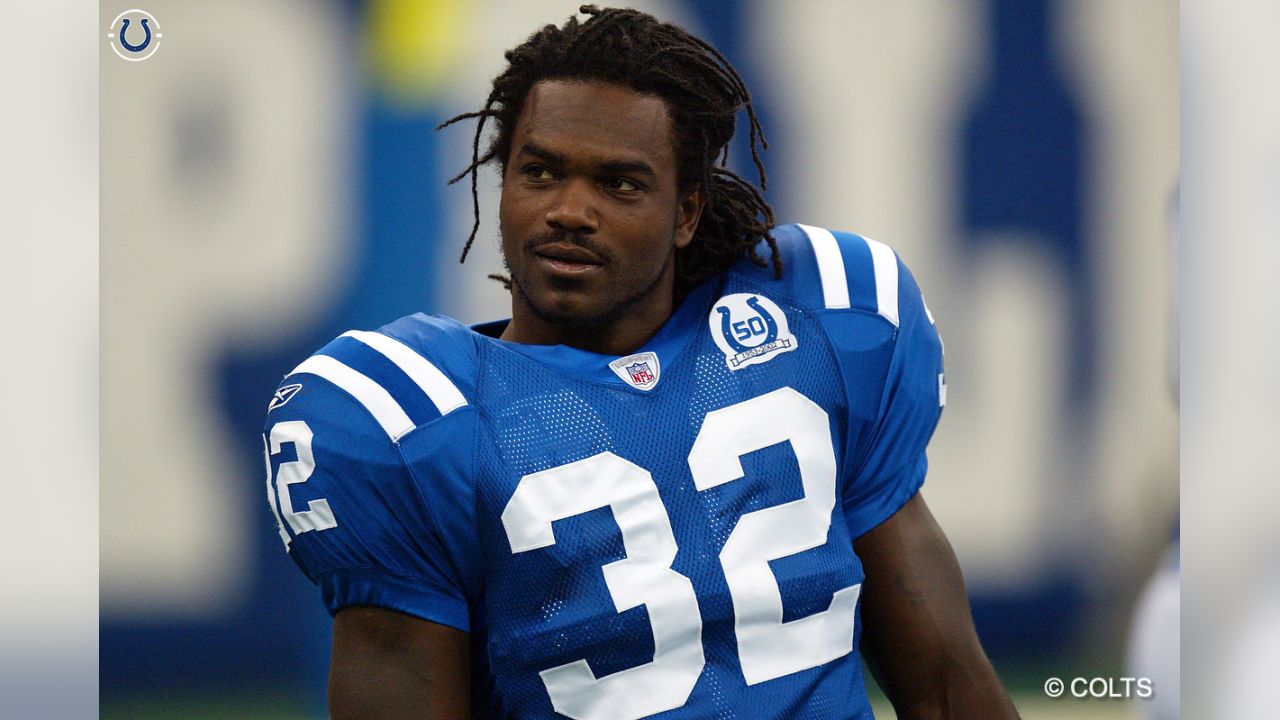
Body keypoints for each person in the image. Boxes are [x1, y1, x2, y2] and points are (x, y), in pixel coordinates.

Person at [262, 6, 1020, 718]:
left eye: (618, 183)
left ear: (686, 211)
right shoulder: (419, 422)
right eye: (541, 173)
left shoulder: (819, 326)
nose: (568, 209)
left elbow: (947, 688)